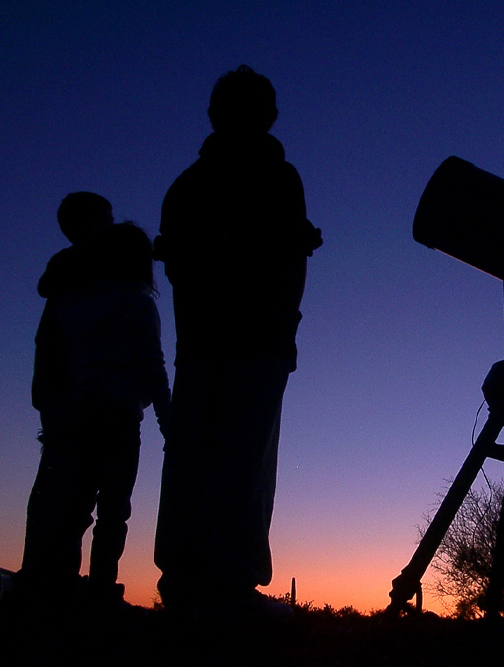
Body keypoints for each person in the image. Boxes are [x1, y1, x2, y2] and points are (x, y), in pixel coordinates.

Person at [153, 65, 321, 622]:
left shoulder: (186, 185)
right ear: (268, 115)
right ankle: (226, 587)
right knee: (243, 463)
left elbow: (179, 265)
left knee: (193, 462)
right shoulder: (278, 178)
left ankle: (184, 581)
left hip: (201, 344)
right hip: (254, 342)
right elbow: (285, 264)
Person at [19, 193, 171, 611]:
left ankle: (59, 590)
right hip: (119, 415)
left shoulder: (70, 302)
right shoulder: (137, 303)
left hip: (76, 411)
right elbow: (152, 366)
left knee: (72, 506)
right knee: (113, 510)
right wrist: (167, 419)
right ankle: (101, 589)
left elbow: (55, 352)